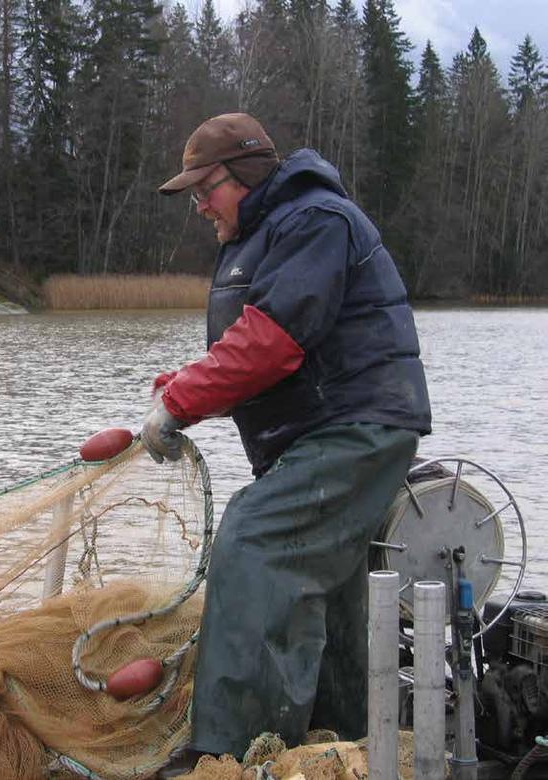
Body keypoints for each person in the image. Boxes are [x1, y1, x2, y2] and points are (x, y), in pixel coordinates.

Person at [141, 113, 432, 777]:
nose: (199, 206)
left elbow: (272, 343)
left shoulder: (313, 220)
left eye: (203, 190)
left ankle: (232, 755)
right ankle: (343, 738)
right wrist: (181, 388)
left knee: (256, 541)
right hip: (326, 431)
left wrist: (181, 404)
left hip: (359, 427)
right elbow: (245, 355)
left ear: (241, 175)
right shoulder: (269, 231)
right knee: (329, 585)